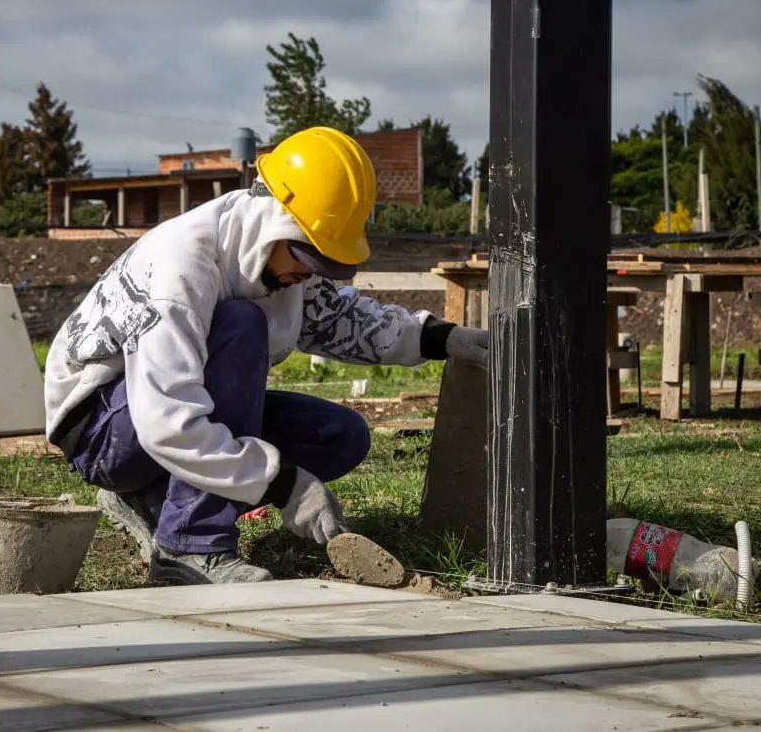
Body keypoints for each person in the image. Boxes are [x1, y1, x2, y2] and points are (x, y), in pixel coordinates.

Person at [45, 126, 489, 585]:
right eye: (306, 259)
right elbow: (166, 419)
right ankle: (189, 549)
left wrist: (439, 338)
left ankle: (154, 499)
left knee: (337, 436)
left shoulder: (274, 257)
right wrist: (279, 483)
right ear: (276, 221)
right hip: (103, 428)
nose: (309, 275)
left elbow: (338, 319)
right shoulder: (181, 269)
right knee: (241, 325)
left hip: (161, 415)